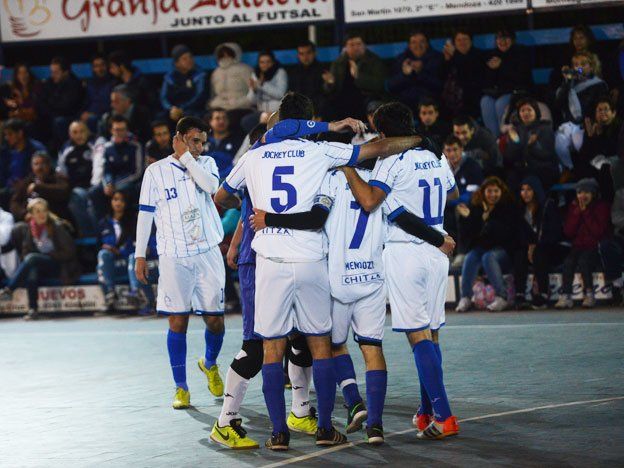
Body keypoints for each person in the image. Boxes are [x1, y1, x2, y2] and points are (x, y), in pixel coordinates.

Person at [214, 92, 425, 450]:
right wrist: (417, 140)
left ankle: (278, 434)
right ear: (308, 120)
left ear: (281, 120)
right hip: (311, 259)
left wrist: (252, 198)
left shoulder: (254, 155)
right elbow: (376, 149)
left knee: (271, 348)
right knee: (320, 345)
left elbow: (221, 197)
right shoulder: (320, 151)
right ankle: (324, 427)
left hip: (270, 262)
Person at [335, 102, 459, 440]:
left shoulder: (391, 160)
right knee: (431, 335)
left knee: (418, 336)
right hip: (438, 252)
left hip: (407, 252)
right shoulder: (435, 153)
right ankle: (427, 411)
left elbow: (370, 201)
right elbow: (453, 191)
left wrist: (347, 168)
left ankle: (444, 416)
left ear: (384, 131)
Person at [134, 116, 226, 410]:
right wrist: (139, 254)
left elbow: (211, 186)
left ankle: (209, 363)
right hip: (173, 256)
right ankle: (181, 387)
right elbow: (145, 214)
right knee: (178, 321)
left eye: (202, 142)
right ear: (180, 137)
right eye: (194, 141)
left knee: (215, 320)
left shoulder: (207, 164)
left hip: (207, 252)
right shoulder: (155, 172)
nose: (200, 147)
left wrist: (187, 156)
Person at [0, 198, 80, 320]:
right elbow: (25, 252)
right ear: (31, 214)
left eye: (44, 210)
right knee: (32, 269)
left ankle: (10, 289)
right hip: (41, 265)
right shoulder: (30, 229)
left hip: (61, 266)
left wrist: (49, 255)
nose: (41, 214)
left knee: (32, 259)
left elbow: (70, 252)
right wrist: (38, 257)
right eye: (37, 211)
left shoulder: (56, 227)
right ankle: (33, 309)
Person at [455, 177, 521, 312]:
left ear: (501, 192)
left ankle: (502, 297)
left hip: (504, 251)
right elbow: (470, 236)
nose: (492, 194)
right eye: (489, 191)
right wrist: (466, 218)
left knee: (488, 257)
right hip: (482, 248)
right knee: (470, 257)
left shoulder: (508, 207)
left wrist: (487, 220)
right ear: (483, 192)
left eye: (496, 191)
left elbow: (504, 235)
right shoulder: (476, 208)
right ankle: (465, 297)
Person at [555, 178, 611, 309]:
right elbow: (568, 231)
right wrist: (577, 213)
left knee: (584, 261)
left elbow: (598, 231)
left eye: (586, 192)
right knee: (568, 263)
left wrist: (585, 212)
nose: (582, 196)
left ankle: (589, 294)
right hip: (578, 246)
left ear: (593, 193)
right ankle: (566, 295)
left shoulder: (601, 207)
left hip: (595, 246)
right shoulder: (574, 206)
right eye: (579, 192)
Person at [513, 177, 564, 309]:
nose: (525, 193)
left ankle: (542, 293)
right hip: (531, 247)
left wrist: (536, 245)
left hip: (551, 247)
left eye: (529, 189)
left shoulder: (547, 206)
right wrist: (530, 245)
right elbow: (520, 234)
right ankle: (520, 294)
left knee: (539, 253)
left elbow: (554, 233)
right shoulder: (520, 210)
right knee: (519, 254)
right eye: (522, 190)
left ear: (536, 190)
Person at [554, 52, 609, 171]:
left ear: (592, 67)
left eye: (583, 64)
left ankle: (591, 171)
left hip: (587, 124)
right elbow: (558, 103)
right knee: (559, 139)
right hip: (570, 124)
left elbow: (600, 108)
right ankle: (570, 170)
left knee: (581, 143)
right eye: (576, 65)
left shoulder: (598, 85)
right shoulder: (570, 84)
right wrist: (567, 82)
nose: (579, 68)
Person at [480, 29, 532, 137]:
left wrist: (502, 66)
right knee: (485, 101)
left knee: (500, 103)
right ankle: (494, 139)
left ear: (512, 40)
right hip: (497, 92)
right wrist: (491, 70)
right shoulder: (492, 55)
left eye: (506, 38)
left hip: (517, 91)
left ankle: (505, 137)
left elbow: (522, 77)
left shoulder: (520, 53)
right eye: (499, 38)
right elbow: (487, 82)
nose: (502, 41)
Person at [89, 115, 143, 221]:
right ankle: (103, 225)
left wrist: (116, 185)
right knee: (94, 192)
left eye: (123, 130)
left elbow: (137, 172)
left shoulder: (135, 146)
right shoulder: (107, 147)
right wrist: (108, 184)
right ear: (111, 130)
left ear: (127, 130)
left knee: (124, 190)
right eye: (117, 130)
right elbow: (106, 170)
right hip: (112, 182)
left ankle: (126, 224)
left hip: (129, 182)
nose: (119, 133)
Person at [323, 33, 387, 121]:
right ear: (346, 47)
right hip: (343, 99)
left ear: (364, 45)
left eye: (359, 44)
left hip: (366, 97)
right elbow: (330, 90)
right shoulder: (338, 63)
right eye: (352, 45)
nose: (356, 48)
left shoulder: (374, 61)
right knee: (326, 106)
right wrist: (330, 83)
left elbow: (379, 85)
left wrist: (358, 76)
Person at [443, 135, 484, 267]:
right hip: (449, 205)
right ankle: (448, 252)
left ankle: (462, 252)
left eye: (455, 149)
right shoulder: (441, 167)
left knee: (463, 211)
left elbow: (472, 194)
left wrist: (451, 202)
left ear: (461, 149)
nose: (452, 154)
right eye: (448, 150)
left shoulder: (472, 166)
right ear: (444, 151)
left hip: (470, 204)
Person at [503, 97, 559, 190]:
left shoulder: (545, 128)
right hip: (523, 169)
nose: (526, 113)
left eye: (529, 110)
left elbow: (546, 154)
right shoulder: (516, 131)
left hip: (543, 169)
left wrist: (529, 146)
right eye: (522, 110)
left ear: (535, 112)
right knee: (510, 177)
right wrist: (515, 143)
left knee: (530, 179)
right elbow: (510, 157)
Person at [96, 190, 137, 310]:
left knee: (133, 257)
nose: (118, 203)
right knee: (102, 257)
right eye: (115, 199)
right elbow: (98, 245)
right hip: (111, 263)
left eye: (121, 200)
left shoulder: (132, 220)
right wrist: (109, 249)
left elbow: (136, 244)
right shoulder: (104, 222)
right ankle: (111, 294)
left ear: (126, 203)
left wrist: (120, 251)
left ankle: (136, 293)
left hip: (128, 260)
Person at [57, 121, 97, 237]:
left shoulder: (95, 145)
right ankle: (87, 235)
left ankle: (98, 235)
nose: (79, 135)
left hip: (94, 186)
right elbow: (61, 172)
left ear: (87, 132)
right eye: (75, 132)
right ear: (70, 134)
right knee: (75, 200)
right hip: (76, 188)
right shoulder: (66, 149)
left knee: (92, 202)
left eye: (82, 131)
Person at [387, 31, 443, 112]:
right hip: (405, 106)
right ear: (409, 45)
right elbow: (390, 86)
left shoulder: (438, 58)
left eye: (422, 42)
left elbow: (440, 86)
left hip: (430, 105)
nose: (418, 45)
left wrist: (420, 72)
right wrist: (404, 75)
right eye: (414, 42)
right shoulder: (400, 59)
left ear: (427, 44)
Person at [10, 152, 72, 224]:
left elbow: (64, 191)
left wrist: (38, 187)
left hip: (53, 220)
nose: (39, 168)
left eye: (43, 164)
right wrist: (24, 214)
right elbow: (15, 202)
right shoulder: (28, 180)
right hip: (31, 221)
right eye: (36, 164)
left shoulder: (58, 178)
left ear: (49, 165)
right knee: (18, 227)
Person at [38, 56, 84, 151]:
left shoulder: (75, 84)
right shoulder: (50, 82)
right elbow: (41, 101)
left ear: (65, 72)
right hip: (52, 115)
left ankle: (65, 150)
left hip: (70, 116)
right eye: (52, 72)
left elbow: (66, 107)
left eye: (56, 72)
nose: (52, 75)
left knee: (59, 122)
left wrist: (51, 104)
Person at [0, 118, 47, 204]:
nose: (7, 138)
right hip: (8, 190)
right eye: (5, 135)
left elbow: (42, 172)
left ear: (20, 133)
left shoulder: (36, 149)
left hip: (28, 191)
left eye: (10, 134)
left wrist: (24, 184)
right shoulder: (6, 151)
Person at [575, 97, 622, 182]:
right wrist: (591, 138)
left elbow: (615, 151)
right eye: (599, 110)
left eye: (606, 109)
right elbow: (584, 155)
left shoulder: (620, 128)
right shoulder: (592, 129)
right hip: (596, 172)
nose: (602, 112)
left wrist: (600, 137)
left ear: (613, 113)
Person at [441, 29, 485, 118]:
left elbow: (468, 75)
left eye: (465, 39)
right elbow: (441, 76)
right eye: (459, 40)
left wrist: (454, 55)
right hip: (450, 96)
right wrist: (446, 61)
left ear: (471, 41)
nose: (462, 42)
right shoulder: (450, 55)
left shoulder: (479, 55)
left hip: (471, 94)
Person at [160, 45, 207, 122]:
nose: (189, 60)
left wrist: (182, 109)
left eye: (190, 57)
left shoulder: (199, 74)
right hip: (174, 111)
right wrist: (171, 108)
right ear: (177, 63)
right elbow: (164, 98)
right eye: (184, 59)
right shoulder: (170, 77)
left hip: (193, 109)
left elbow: (199, 95)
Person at [244, 50, 288, 131]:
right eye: (262, 62)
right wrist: (254, 90)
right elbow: (251, 101)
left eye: (268, 62)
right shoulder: (256, 74)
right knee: (246, 121)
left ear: (273, 62)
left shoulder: (280, 72)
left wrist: (262, 85)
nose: (265, 65)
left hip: (278, 111)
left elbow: (280, 94)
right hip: (261, 112)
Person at [209, 42, 253, 112]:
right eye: (222, 55)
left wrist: (243, 102)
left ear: (235, 54)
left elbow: (253, 90)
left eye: (228, 55)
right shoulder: (216, 72)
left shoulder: (245, 69)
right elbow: (212, 94)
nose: (225, 57)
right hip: (219, 106)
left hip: (240, 106)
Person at [288, 40, 327, 118]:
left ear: (314, 53)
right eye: (302, 54)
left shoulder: (323, 70)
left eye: (308, 53)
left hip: (319, 114)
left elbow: (325, 96)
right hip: (299, 114)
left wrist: (319, 115)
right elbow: (292, 95)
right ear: (298, 56)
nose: (305, 57)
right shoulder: (293, 72)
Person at [81, 54, 116, 133]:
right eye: (96, 66)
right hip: (90, 114)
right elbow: (85, 102)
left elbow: (110, 105)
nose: (100, 69)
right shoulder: (89, 84)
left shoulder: (114, 82)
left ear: (107, 66)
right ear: (93, 68)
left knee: (92, 119)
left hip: (105, 114)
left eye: (102, 65)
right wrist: (83, 113)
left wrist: (93, 113)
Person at [205, 108, 244, 179]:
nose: (221, 121)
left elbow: (238, 163)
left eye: (224, 118)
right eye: (217, 118)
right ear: (210, 122)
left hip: (229, 179)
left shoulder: (237, 140)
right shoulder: (203, 140)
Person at [4, 63, 41, 130]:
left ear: (29, 74)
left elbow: (33, 111)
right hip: (18, 119)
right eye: (20, 73)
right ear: (16, 75)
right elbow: (11, 111)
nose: (23, 76)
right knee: (5, 125)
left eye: (25, 72)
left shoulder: (36, 87)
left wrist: (21, 100)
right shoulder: (14, 89)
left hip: (33, 120)